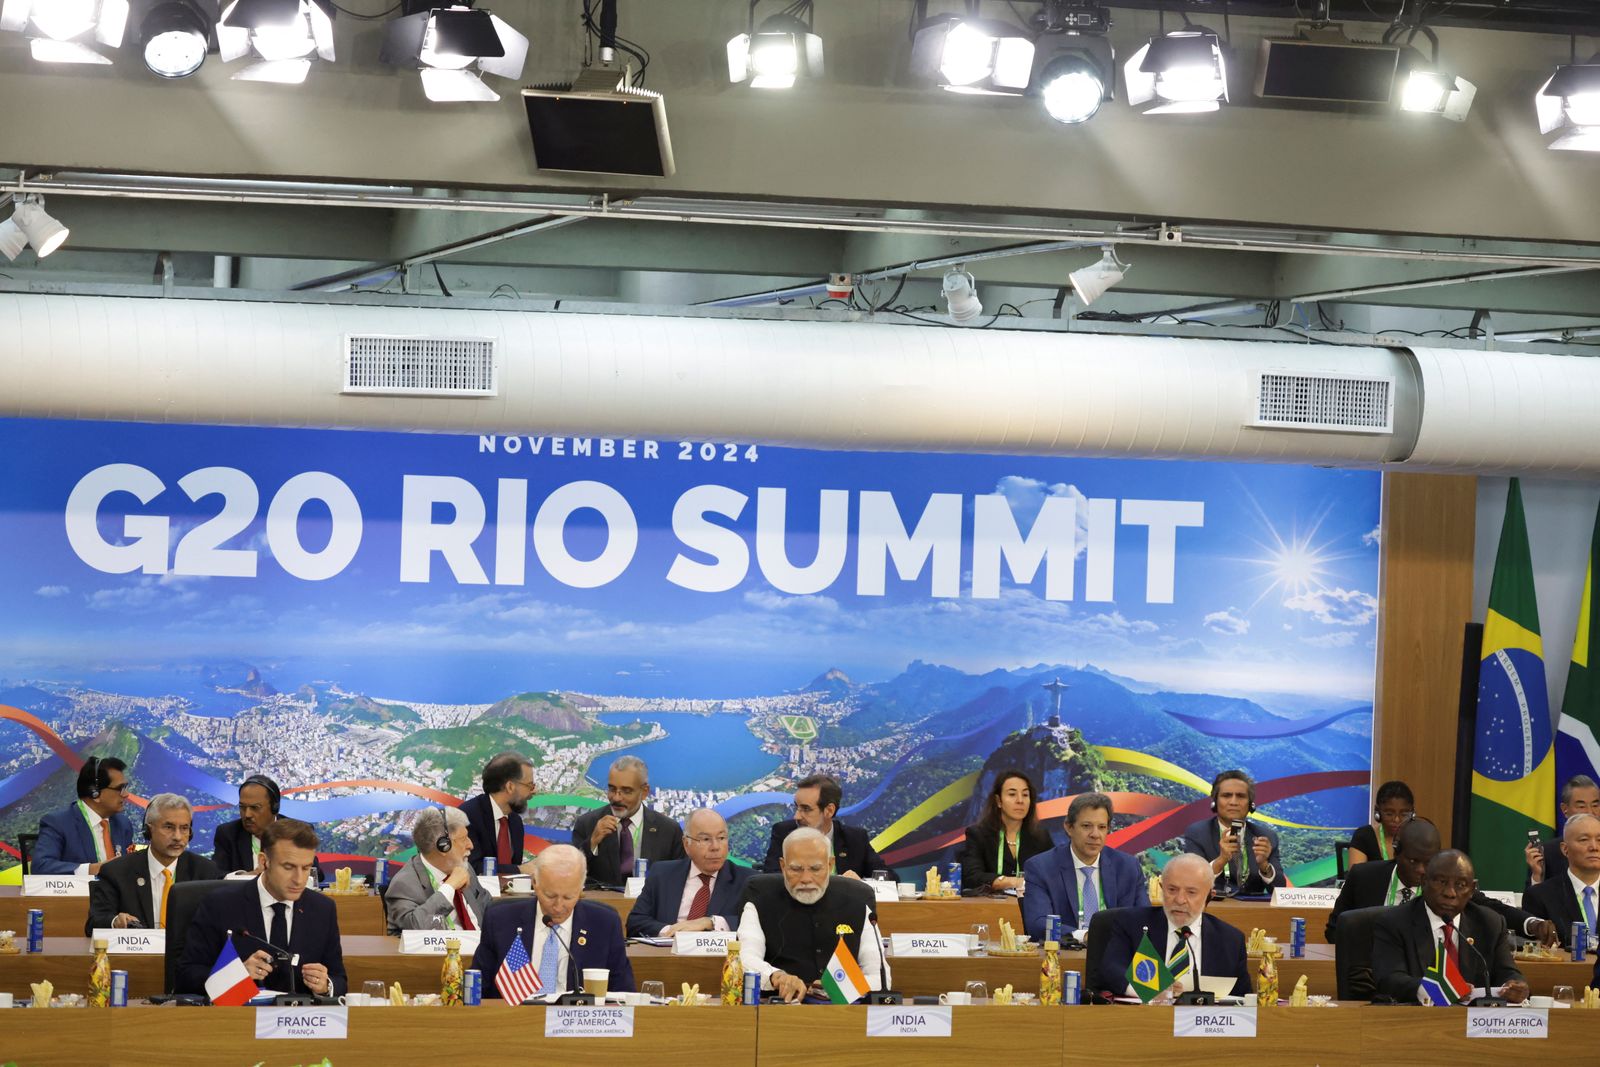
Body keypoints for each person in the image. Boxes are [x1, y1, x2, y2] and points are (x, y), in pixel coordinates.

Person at [175, 818, 346, 998]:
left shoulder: (322, 909)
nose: (299, 879)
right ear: (264, 861)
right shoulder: (220, 905)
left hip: (299, 1021)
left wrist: (326, 985)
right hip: (237, 1019)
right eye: (288, 867)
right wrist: (236, 975)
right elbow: (186, 976)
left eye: (306, 868)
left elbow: (339, 979)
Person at [1326, 817, 1555, 944]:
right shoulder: (1364, 877)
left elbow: (1493, 908)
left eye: (1429, 861)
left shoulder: (1447, 885)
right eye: (1414, 861)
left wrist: (1532, 924)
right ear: (1396, 852)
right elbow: (1335, 931)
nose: (1422, 870)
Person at [738, 827, 888, 1002]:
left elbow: (880, 976)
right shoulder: (759, 901)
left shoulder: (858, 903)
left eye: (816, 869)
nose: (806, 878)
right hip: (779, 1010)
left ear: (830, 865)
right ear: (783, 866)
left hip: (845, 1011)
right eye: (796, 869)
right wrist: (777, 977)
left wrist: (841, 986)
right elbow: (745, 959)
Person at [471, 843, 634, 998]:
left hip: (577, 1022)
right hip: (514, 1020)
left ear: (581, 889)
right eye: (550, 896)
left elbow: (623, 992)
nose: (558, 906)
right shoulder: (501, 919)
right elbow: (478, 990)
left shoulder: (604, 924)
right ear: (535, 883)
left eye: (568, 897)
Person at [1370, 850, 1528, 1005]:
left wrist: (1514, 985)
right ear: (1424, 881)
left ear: (1472, 890)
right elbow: (1389, 979)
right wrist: (1436, 989)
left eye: (1461, 885)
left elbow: (1507, 972)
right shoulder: (1394, 922)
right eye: (1441, 882)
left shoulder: (1490, 923)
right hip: (1415, 1022)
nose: (1450, 893)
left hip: (1474, 1025)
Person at [1090, 853, 1252, 1001]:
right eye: (1172, 890)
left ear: (1210, 896)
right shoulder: (1132, 923)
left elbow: (1243, 999)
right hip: (1142, 1024)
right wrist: (1149, 989)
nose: (1180, 899)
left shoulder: (1230, 940)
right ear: (1162, 888)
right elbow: (1110, 970)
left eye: (1191, 892)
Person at [86, 793, 220, 934]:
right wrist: (115, 922)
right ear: (149, 830)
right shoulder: (116, 871)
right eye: (168, 827)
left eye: (184, 828)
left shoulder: (205, 871)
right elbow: (94, 923)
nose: (177, 837)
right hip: (138, 954)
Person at [1021, 792, 1147, 941]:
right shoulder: (1042, 868)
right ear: (1069, 827)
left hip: (1116, 956)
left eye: (1101, 827)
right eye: (1087, 826)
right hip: (1066, 957)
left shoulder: (1127, 867)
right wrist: (1086, 936)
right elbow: (1038, 923)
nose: (1095, 834)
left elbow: (1145, 920)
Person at [626, 809, 753, 937]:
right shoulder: (662, 874)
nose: (715, 847)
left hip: (719, 956)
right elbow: (635, 922)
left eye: (721, 838)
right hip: (668, 954)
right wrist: (673, 931)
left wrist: (711, 922)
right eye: (705, 839)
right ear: (687, 844)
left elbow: (760, 924)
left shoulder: (748, 881)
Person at [573, 756, 685, 887]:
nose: (616, 798)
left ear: (644, 792)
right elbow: (572, 874)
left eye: (626, 791)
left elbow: (679, 879)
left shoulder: (669, 830)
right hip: (602, 904)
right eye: (612, 789)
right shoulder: (587, 824)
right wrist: (592, 842)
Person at [383, 806, 492, 935]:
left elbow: (488, 908)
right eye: (463, 839)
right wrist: (449, 887)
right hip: (444, 953)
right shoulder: (404, 883)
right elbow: (414, 928)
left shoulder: (465, 868)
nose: (470, 845)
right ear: (443, 846)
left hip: (479, 949)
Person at [1180, 769, 1286, 895]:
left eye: (1241, 796)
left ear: (1251, 805)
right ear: (1215, 802)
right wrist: (1221, 860)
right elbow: (1191, 883)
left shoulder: (1266, 837)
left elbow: (1280, 891)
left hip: (1254, 911)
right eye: (1226, 795)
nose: (1233, 802)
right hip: (1212, 909)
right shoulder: (1197, 833)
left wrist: (1264, 866)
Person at [761, 773, 883, 880]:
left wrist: (860, 884)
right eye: (796, 807)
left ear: (829, 811)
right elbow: (770, 879)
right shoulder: (784, 832)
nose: (796, 816)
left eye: (806, 809)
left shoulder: (855, 838)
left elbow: (887, 877)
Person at [33, 756, 135, 875]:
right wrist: (92, 869)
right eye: (120, 788)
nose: (126, 794)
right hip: (81, 893)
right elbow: (41, 866)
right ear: (95, 793)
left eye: (125, 787)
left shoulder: (123, 824)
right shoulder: (58, 823)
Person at [957, 769, 1053, 894]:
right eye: (1012, 794)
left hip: (1032, 908)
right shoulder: (978, 834)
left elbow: (1055, 875)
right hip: (989, 908)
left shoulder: (1041, 837)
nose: (1020, 800)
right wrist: (1013, 882)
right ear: (998, 801)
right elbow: (972, 877)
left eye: (1025, 795)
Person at [1522, 812, 1600, 950]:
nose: (1594, 847)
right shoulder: (1540, 896)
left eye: (1599, 840)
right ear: (1565, 849)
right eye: (1584, 840)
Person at [460, 752, 538, 876]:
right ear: (510, 787)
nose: (534, 791)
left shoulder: (515, 822)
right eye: (530, 785)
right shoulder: (467, 816)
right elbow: (471, 867)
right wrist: (520, 870)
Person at [1526, 774, 1600, 888]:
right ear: (1565, 809)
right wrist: (1537, 876)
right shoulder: (1547, 853)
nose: (1590, 812)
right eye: (1581, 806)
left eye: (1595, 805)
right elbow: (1533, 903)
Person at [211, 774, 281, 874]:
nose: (247, 815)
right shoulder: (228, 834)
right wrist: (247, 877)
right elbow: (217, 877)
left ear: (274, 807)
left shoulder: (296, 834)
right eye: (242, 807)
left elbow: (310, 875)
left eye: (255, 807)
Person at [1347, 779, 1415, 866]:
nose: (1397, 819)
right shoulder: (1363, 836)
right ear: (1378, 812)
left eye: (1404, 814)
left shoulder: (1419, 839)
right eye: (1389, 814)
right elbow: (1356, 877)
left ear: (1412, 814)